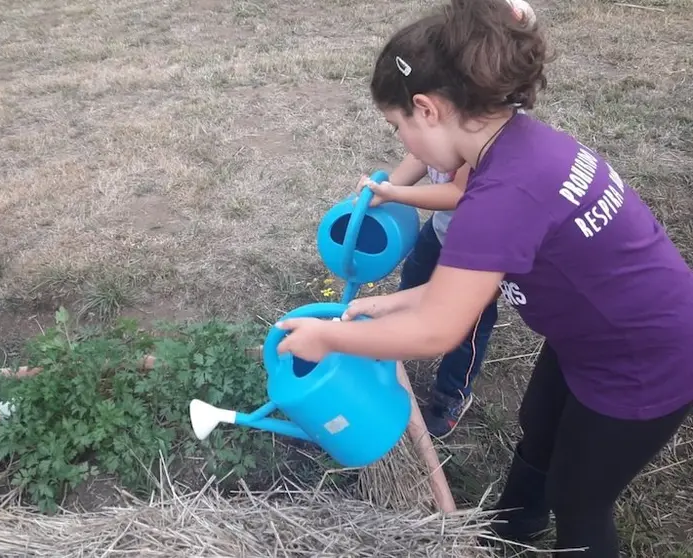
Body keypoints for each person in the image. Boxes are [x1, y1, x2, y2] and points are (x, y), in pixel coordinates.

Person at [274, 0, 693, 555]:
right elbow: (470, 282)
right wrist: (388, 306)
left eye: (397, 126)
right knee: (538, 429)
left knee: (580, 501)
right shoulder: (520, 148)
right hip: (595, 335)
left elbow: (436, 333)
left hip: (647, 357)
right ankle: (511, 535)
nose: (404, 143)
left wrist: (327, 337)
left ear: (426, 109)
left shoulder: (499, 198)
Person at [360, 156, 493, 438]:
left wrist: (393, 193)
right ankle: (394, 345)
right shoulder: (434, 135)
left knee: (468, 323)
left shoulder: (477, 141)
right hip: (440, 230)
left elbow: (457, 193)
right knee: (413, 282)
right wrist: (382, 189)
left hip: (480, 250)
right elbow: (420, 157)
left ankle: (452, 393)